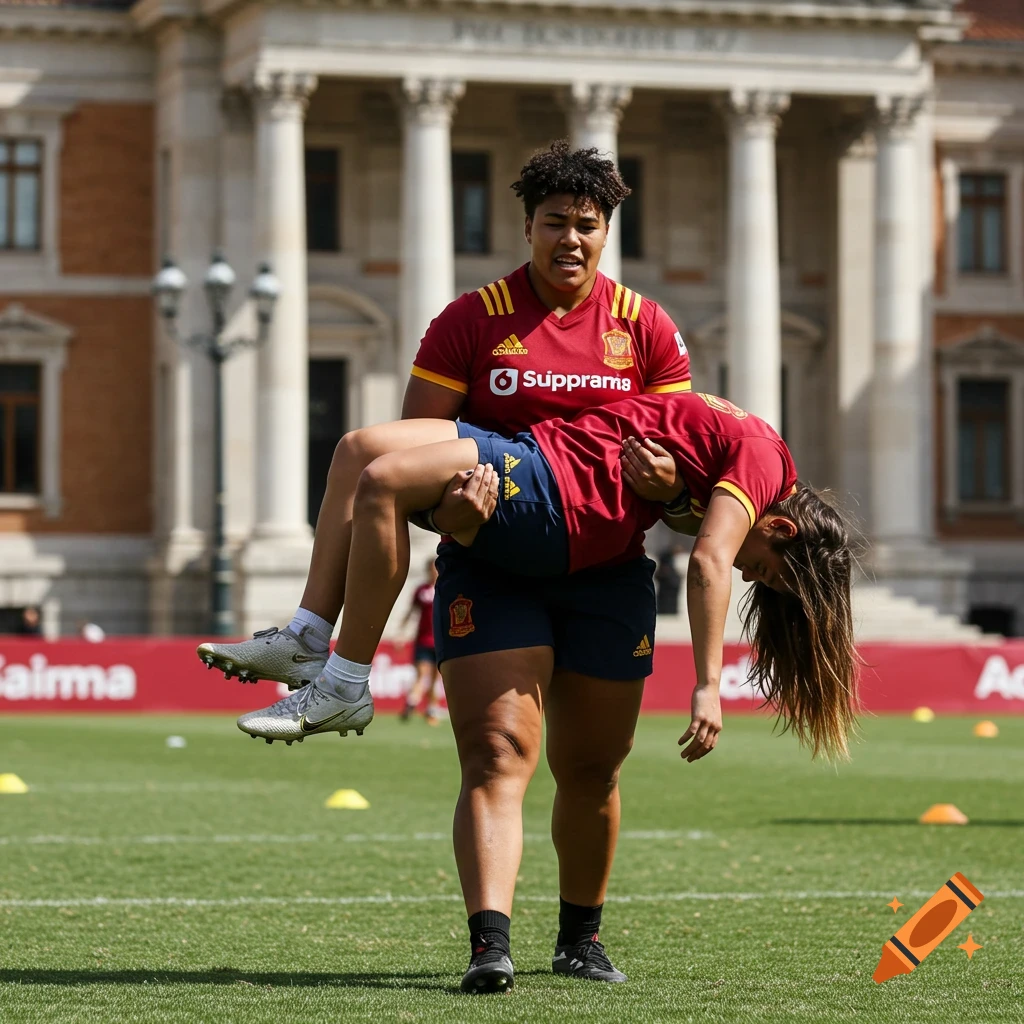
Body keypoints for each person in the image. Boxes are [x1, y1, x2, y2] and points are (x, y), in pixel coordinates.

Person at [198, 139, 693, 993]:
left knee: (592, 769)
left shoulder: (647, 330)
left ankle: (581, 935)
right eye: (553, 224)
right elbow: (409, 473)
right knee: (497, 752)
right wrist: (451, 517)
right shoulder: (471, 320)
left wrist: (672, 486)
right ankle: (488, 943)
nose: (569, 240)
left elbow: (688, 490)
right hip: (492, 568)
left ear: (607, 232)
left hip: (608, 572)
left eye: (586, 225)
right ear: (526, 228)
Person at [399, 559, 443, 723]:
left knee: (434, 679)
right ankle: (412, 702)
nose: (434, 572)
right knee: (421, 674)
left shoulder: (445, 588)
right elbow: (411, 611)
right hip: (423, 640)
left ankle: (431, 711)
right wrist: (401, 633)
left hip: (440, 641)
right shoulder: (421, 590)